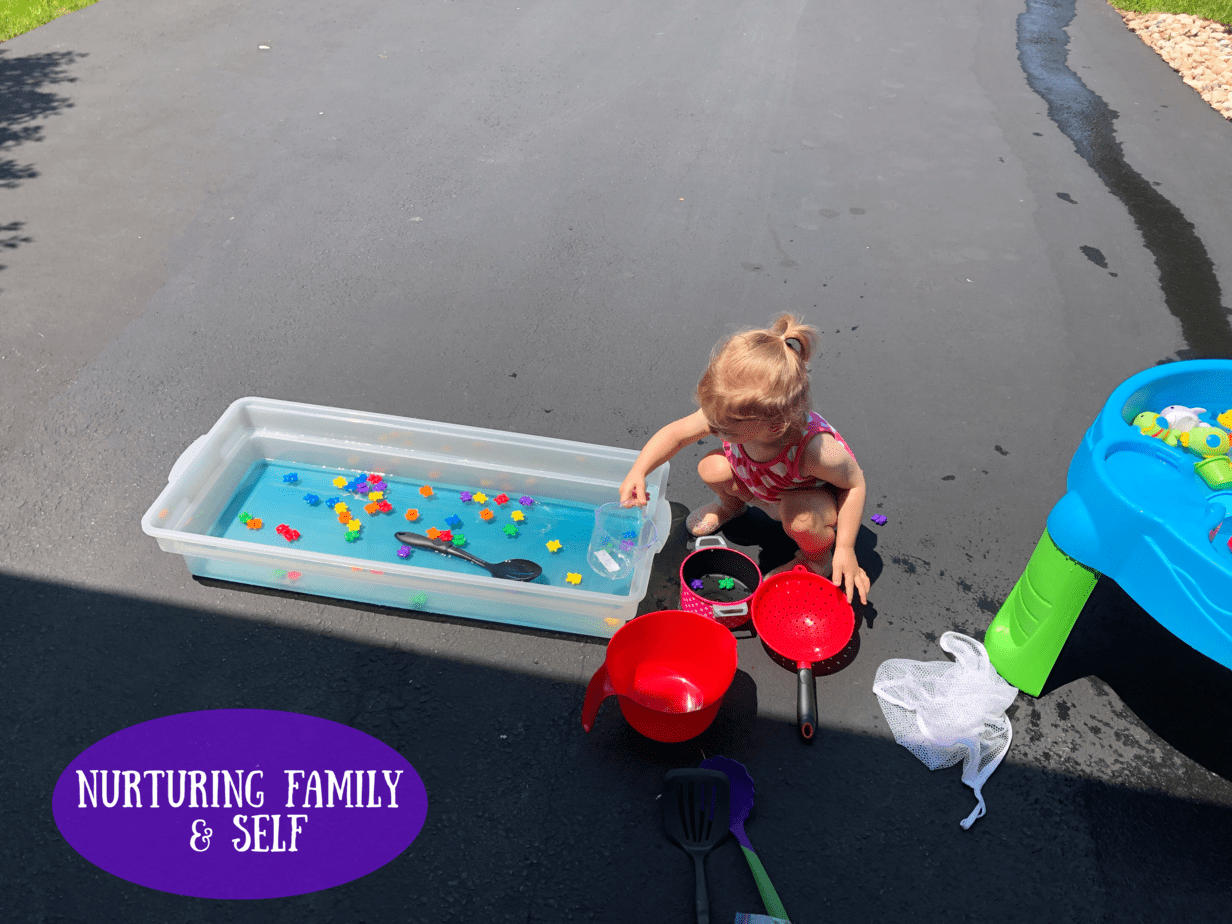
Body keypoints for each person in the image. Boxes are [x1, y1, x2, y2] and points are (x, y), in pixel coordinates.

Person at [620, 314, 870, 604]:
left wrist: (845, 549)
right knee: (711, 468)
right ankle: (732, 508)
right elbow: (676, 434)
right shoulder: (730, 414)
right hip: (761, 484)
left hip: (804, 498)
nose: (713, 429)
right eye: (711, 420)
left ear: (773, 426)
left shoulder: (816, 450)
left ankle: (816, 560)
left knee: (800, 521)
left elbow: (855, 484)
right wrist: (639, 471)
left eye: (723, 429)